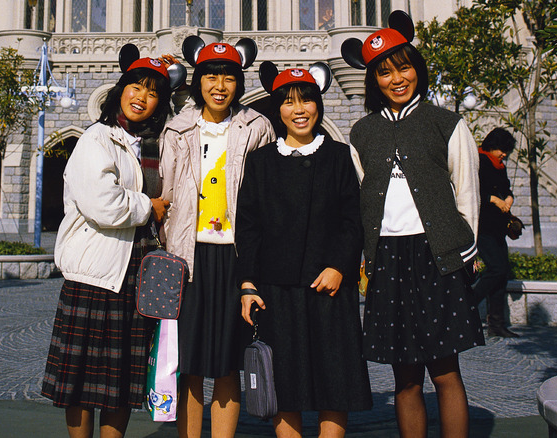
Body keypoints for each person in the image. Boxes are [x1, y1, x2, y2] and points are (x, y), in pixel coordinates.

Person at [342, 10, 484, 437]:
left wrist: (466, 250)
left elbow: (467, 193)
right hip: (388, 258)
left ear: (417, 69)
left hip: (437, 254)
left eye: (404, 67)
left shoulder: (447, 124)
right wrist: (365, 258)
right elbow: (360, 200)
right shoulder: (361, 133)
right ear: (373, 80)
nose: (396, 79)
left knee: (445, 372)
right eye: (384, 72)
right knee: (405, 379)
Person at [41, 48, 185, 438]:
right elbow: (102, 204)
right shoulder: (97, 138)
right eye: (135, 86)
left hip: (138, 272)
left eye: (153, 91)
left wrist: (179, 76)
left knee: (121, 379)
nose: (141, 96)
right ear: (120, 90)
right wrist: (149, 206)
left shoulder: (154, 142)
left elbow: (189, 124)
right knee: (81, 379)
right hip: (97, 273)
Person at [237, 62, 373, 437]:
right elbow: (248, 227)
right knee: (285, 385)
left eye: (307, 100)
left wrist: (339, 266)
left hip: (329, 287)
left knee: (335, 383)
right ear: (277, 109)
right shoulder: (261, 161)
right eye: (289, 102)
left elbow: (352, 218)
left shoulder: (339, 156)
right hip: (276, 291)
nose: (299, 110)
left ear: (319, 103)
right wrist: (248, 284)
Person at [159, 36, 275, 438]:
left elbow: (266, 197)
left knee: (228, 361)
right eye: (211, 76)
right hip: (188, 258)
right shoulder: (177, 129)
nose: (219, 86)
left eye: (228, 77)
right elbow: (168, 193)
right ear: (198, 82)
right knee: (188, 362)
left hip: (236, 257)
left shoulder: (257, 126)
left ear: (238, 83)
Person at [473, 128, 519, 338]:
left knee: (502, 274)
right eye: (502, 150)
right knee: (496, 269)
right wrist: (494, 199)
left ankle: (497, 324)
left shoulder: (499, 166)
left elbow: (506, 188)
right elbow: (473, 191)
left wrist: (508, 198)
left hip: (498, 226)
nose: (504, 155)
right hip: (483, 225)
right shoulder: (479, 161)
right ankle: (467, 304)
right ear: (492, 147)